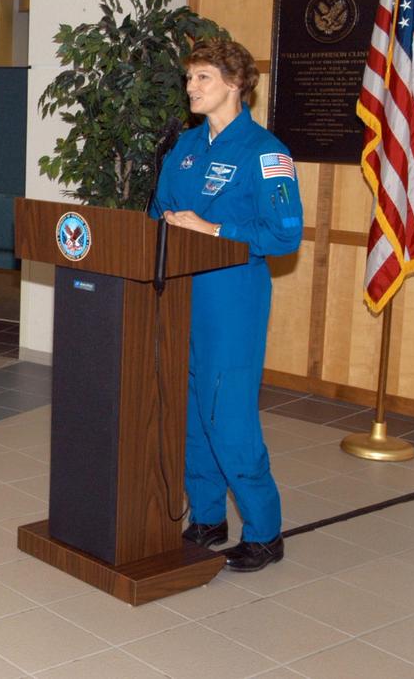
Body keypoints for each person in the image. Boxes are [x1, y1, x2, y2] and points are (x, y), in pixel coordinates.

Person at [151, 38, 303, 573]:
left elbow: (285, 235)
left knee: (228, 419)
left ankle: (264, 532)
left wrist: (214, 228)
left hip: (232, 303)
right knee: (192, 416)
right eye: (189, 78)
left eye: (203, 78)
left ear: (235, 84)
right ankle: (209, 518)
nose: (191, 87)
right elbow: (158, 213)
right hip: (183, 297)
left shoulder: (266, 153)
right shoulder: (185, 147)